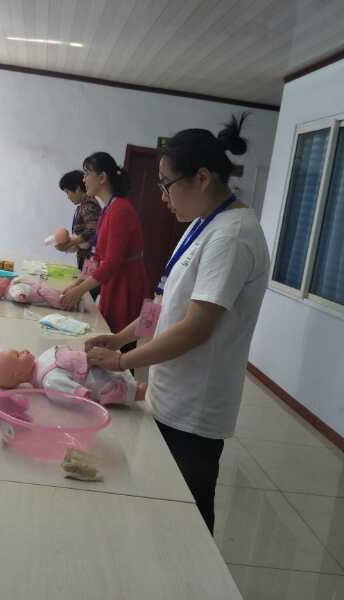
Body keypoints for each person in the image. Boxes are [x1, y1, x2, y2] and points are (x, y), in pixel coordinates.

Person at [86, 115, 270, 534]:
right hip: (170, 393)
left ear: (201, 178)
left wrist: (121, 361)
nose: (163, 196)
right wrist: (119, 337)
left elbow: (195, 328)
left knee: (188, 519)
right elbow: (164, 304)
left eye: (166, 184)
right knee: (161, 507)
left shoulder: (232, 236)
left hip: (195, 406)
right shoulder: (203, 224)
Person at [60, 153, 148, 338]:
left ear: (102, 178)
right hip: (113, 281)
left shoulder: (121, 210)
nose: (83, 179)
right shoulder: (108, 208)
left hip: (125, 284)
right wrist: (78, 282)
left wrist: (80, 291)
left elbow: (112, 263)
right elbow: (97, 256)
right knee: (107, 332)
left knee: (119, 339)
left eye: (87, 173)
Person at [56, 170, 101, 271]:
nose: (68, 197)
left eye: (67, 192)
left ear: (77, 188)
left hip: (90, 260)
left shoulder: (89, 205)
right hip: (86, 257)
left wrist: (71, 242)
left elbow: (93, 230)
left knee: (85, 281)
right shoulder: (84, 205)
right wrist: (74, 245)